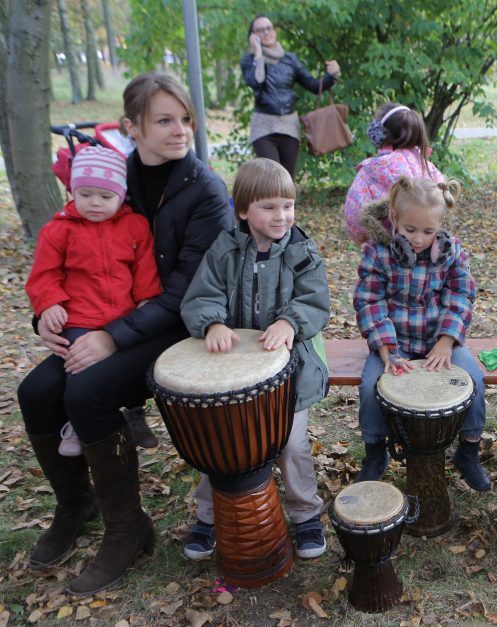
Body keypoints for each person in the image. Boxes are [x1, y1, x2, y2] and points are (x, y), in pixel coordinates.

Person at [17, 72, 232, 595]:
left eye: (184, 118)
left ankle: (128, 528)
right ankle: (76, 505)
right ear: (131, 127)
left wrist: (112, 338)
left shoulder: (205, 191)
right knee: (37, 391)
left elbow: (186, 291)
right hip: (105, 319)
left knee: (87, 391)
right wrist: (52, 317)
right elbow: (66, 257)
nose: (180, 130)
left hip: (182, 327)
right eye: (164, 120)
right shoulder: (110, 175)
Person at [179, 158, 330, 560]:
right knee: (222, 444)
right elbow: (202, 294)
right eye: (269, 207)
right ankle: (209, 517)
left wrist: (290, 322)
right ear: (243, 210)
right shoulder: (224, 250)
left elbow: (315, 301)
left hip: (290, 372)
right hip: (233, 374)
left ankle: (305, 514)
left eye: (287, 205)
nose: (281, 215)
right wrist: (211, 323)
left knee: (292, 445)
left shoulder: (301, 252)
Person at [353, 175, 490, 492]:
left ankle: (468, 451)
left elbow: (461, 296)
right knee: (369, 386)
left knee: (475, 382)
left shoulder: (452, 253)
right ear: (394, 218)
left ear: (441, 225)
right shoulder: (378, 254)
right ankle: (375, 452)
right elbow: (370, 302)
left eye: (428, 231)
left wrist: (446, 341)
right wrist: (386, 349)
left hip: (438, 342)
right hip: (393, 343)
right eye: (409, 230)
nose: (418, 239)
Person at [25, 147, 162, 458]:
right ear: (73, 191)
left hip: (122, 319)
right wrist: (49, 303)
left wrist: (146, 301)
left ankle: (134, 413)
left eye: (105, 196)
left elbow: (144, 268)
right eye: (85, 194)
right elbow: (43, 274)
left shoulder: (135, 227)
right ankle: (76, 421)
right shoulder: (59, 230)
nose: (95, 203)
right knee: (80, 363)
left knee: (121, 367)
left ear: (121, 195)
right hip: (79, 318)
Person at [241, 14, 341, 179]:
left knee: (287, 180)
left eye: (269, 28)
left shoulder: (290, 60)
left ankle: (288, 206)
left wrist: (333, 74)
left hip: (288, 125)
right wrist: (258, 55)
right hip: (263, 126)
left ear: (274, 31)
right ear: (253, 36)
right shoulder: (249, 60)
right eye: (260, 30)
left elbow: (314, 86)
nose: (266, 32)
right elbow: (256, 82)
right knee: (271, 178)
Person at [344, 102, 445, 244]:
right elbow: (443, 208)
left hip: (382, 257)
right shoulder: (430, 169)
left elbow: (355, 221)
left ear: (378, 135)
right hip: (427, 253)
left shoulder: (369, 172)